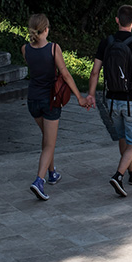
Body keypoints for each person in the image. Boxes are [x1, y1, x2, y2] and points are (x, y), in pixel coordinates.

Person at [86, 4, 132, 197]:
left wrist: (91, 94)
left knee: (123, 137)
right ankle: (118, 175)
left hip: (112, 100)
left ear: (117, 20)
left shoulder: (106, 43)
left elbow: (94, 72)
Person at [21, 13, 87, 201]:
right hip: (51, 101)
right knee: (49, 144)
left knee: (46, 139)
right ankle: (39, 181)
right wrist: (80, 98)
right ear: (47, 29)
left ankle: (52, 174)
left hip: (32, 100)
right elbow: (65, 74)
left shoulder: (25, 49)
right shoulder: (53, 49)